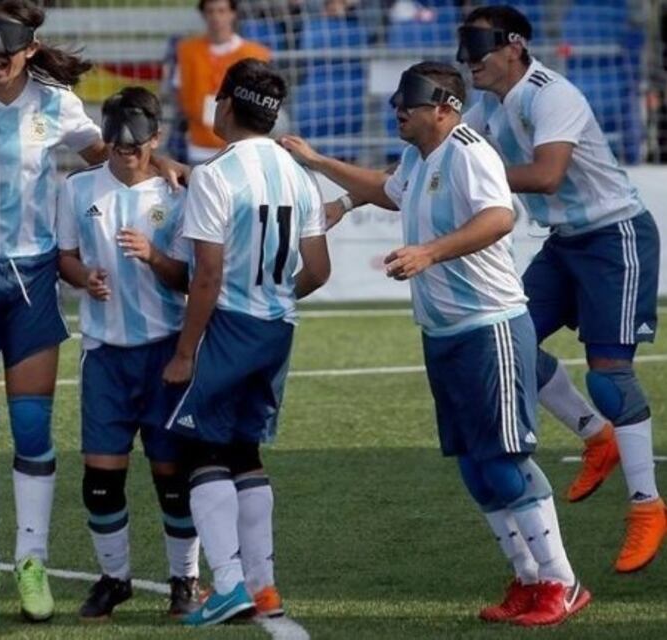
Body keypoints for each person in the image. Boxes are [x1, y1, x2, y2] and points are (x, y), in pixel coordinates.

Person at [0, 0, 185, 622]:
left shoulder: (56, 102)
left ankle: (32, 563)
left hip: (32, 277)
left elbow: (109, 157)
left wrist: (165, 163)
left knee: (31, 430)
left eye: (5, 53)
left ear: (28, 48)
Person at [282, 61, 592, 627]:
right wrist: (324, 170)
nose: (398, 110)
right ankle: (528, 579)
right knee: (475, 467)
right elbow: (389, 190)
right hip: (446, 333)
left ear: (445, 106)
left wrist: (429, 252)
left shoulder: (470, 151)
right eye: (398, 101)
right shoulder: (419, 155)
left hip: (489, 327)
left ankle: (562, 583)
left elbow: (499, 217)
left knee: (503, 460)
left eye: (410, 102)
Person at [458, 5, 664, 573]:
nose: (470, 59)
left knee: (610, 375)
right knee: (513, 343)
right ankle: (595, 437)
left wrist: (474, 174)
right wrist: (348, 194)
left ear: (514, 46)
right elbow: (444, 153)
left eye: (479, 46)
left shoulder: (553, 94)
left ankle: (647, 506)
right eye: (465, 47)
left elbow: (546, 175)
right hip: (565, 242)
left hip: (614, 236)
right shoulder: (489, 105)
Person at [164, 58, 330, 626]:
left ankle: (229, 584)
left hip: (229, 323)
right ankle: (263, 588)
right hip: (277, 327)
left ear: (229, 104)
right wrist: (277, 294)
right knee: (245, 453)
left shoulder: (216, 174)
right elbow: (319, 268)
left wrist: (186, 352)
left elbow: (205, 275)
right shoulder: (297, 175)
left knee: (203, 451)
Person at [56, 87, 201, 621]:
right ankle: (114, 580)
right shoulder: (76, 189)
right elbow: (64, 256)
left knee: (172, 476)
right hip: (105, 356)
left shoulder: (180, 191)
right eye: (116, 145)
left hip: (165, 352)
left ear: (155, 139)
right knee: (100, 481)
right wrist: (82, 278)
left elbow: (191, 277)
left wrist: (153, 256)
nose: (126, 153)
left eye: (136, 145)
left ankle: (185, 580)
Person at [174, 0, 272, 164]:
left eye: (221, 11)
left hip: (242, 146)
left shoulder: (255, 53)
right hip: (200, 144)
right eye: (210, 11)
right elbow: (179, 91)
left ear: (232, 13)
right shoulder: (187, 51)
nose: (216, 17)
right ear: (203, 14)